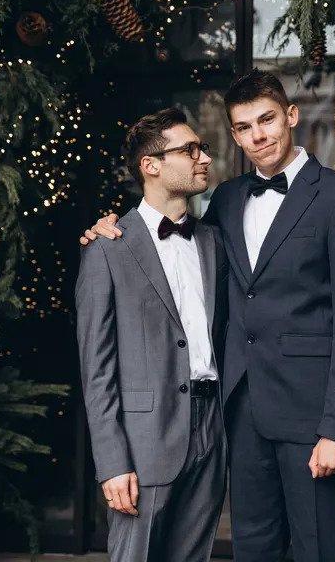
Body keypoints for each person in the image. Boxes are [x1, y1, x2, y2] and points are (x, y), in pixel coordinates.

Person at [81, 70, 335, 562]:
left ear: (292, 117)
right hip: (238, 415)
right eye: (243, 128)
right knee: (252, 548)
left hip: (311, 417)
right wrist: (107, 228)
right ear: (235, 135)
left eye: (267, 120)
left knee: (320, 549)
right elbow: (161, 243)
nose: (257, 136)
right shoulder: (226, 200)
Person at [75, 107, 228, 562]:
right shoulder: (107, 247)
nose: (203, 158)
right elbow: (96, 369)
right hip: (143, 439)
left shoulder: (213, 242)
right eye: (189, 149)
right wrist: (112, 461)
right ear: (151, 165)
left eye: (203, 149)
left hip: (210, 429)